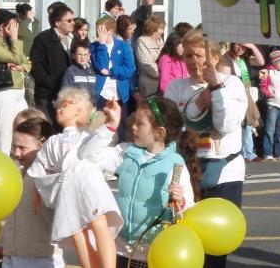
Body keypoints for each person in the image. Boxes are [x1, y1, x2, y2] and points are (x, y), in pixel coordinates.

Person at [82, 97, 199, 267]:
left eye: (140, 123)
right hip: (120, 249)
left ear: (159, 133)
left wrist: (180, 201)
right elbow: (87, 155)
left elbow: (187, 208)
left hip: (155, 252)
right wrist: (110, 126)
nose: (133, 126)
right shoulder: (125, 152)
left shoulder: (175, 164)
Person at [165, 29, 247, 268]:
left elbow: (226, 124)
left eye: (199, 55)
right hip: (188, 169)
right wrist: (197, 104)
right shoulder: (176, 87)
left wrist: (216, 89)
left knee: (215, 242)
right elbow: (172, 128)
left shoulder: (232, 84)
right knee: (188, 234)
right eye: (188, 56)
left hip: (225, 169)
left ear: (213, 57)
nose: (193, 62)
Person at [28, 88, 123, 268]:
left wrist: (109, 125)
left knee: (98, 224)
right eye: (58, 106)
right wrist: (37, 190)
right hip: (68, 189)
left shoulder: (86, 136)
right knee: (77, 232)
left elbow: (97, 146)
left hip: (88, 183)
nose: (59, 109)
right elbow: (40, 165)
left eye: (64, 105)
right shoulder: (53, 141)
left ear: (79, 111)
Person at [0, 115, 65, 268]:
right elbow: (13, 219)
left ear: (43, 145)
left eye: (22, 148)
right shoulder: (19, 174)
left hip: (41, 259)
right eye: (14, 146)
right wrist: (5, 244)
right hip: (12, 255)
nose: (16, 153)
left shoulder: (49, 177)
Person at [0, 9, 31, 155]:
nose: (15, 29)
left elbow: (27, 63)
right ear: (2, 26)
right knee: (4, 132)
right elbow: (17, 58)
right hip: (3, 91)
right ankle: (2, 161)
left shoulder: (10, 43)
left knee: (24, 126)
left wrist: (20, 66)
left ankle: (19, 160)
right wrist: (15, 39)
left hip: (18, 89)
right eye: (12, 26)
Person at [30, 5, 75, 132]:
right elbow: (35, 65)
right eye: (69, 20)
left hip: (68, 94)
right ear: (57, 22)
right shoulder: (43, 39)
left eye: (73, 19)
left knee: (66, 132)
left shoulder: (75, 38)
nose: (73, 23)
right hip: (48, 94)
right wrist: (48, 81)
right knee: (48, 131)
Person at [91, 16, 135, 142]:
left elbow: (129, 69)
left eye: (101, 30)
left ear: (110, 31)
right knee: (100, 126)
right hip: (101, 94)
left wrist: (111, 72)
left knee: (120, 129)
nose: (98, 33)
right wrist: (102, 45)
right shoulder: (94, 46)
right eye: (97, 29)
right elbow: (101, 65)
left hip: (120, 95)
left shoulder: (124, 47)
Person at [220, 42, 265, 163]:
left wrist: (252, 47)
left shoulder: (243, 59)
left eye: (244, 46)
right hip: (234, 96)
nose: (240, 48)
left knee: (248, 124)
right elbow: (226, 78)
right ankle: (241, 153)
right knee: (238, 125)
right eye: (238, 45)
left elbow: (261, 62)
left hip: (245, 94)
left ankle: (248, 153)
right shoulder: (226, 59)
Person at [259, 50, 280, 161]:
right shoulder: (268, 72)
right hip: (272, 104)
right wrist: (270, 94)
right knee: (270, 129)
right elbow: (263, 87)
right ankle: (268, 152)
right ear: (274, 62)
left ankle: (279, 152)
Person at [134, 14, 165, 99]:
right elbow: (146, 64)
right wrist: (162, 74)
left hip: (161, 81)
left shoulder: (160, 41)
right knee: (150, 109)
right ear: (153, 29)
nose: (162, 31)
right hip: (149, 83)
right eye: (161, 29)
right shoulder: (142, 42)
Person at [157, 31, 188, 95]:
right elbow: (164, 84)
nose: (185, 48)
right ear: (175, 44)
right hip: (171, 96)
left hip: (182, 96)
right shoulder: (166, 59)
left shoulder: (182, 59)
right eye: (182, 45)